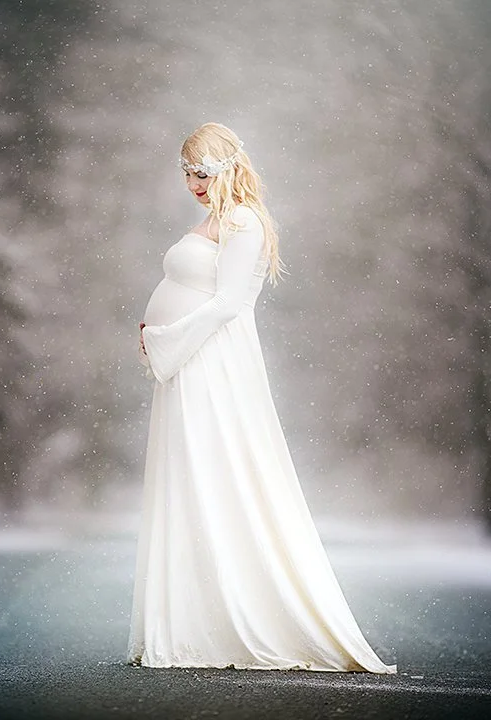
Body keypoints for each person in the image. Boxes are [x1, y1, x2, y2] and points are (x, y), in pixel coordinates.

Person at [127, 122, 397, 673]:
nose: (193, 184)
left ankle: (239, 616)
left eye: (202, 173)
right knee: (188, 477)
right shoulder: (214, 221)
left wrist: (165, 339)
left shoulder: (244, 221)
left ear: (227, 168)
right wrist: (159, 338)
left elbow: (228, 304)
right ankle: (190, 619)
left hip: (210, 362)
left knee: (216, 474)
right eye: (187, 173)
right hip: (188, 361)